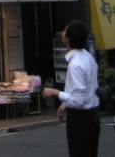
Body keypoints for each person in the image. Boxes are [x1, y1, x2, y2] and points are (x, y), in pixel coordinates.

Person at [42, 20, 100, 157]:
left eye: (65, 30)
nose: (62, 32)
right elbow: (87, 90)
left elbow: (79, 101)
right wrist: (66, 103)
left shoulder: (75, 65)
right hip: (92, 117)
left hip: (80, 120)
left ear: (68, 38)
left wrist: (54, 92)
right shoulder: (88, 57)